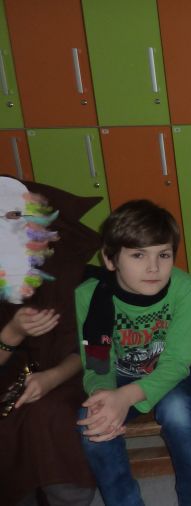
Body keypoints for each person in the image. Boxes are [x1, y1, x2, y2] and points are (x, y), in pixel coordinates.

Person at [75, 200, 191, 505]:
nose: (153, 267)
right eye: (138, 255)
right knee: (93, 419)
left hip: (174, 373)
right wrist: (105, 398)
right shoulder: (89, 296)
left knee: (178, 411)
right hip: (119, 374)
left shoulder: (184, 289)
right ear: (110, 259)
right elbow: (97, 364)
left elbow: (177, 363)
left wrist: (126, 398)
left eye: (163, 255)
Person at [0, 177, 97, 505]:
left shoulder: (71, 273)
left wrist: (52, 377)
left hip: (70, 376)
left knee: (50, 416)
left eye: (19, 216)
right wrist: (12, 332)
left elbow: (94, 350)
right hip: (8, 383)